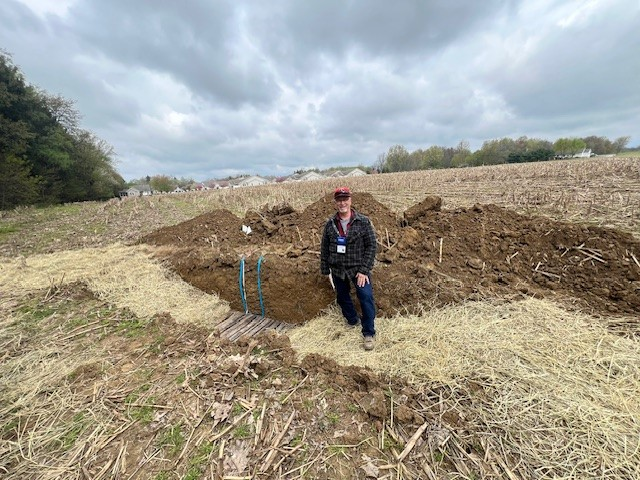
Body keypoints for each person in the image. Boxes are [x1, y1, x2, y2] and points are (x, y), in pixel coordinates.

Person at [320, 187, 377, 350]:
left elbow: (372, 246)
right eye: (339, 200)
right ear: (335, 203)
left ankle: (368, 333)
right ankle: (352, 320)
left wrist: (364, 270)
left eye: (345, 199)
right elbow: (324, 247)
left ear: (350, 201)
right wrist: (326, 270)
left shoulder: (362, 221)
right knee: (342, 297)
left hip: (358, 269)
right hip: (338, 270)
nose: (342, 203)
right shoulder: (330, 224)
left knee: (365, 297)